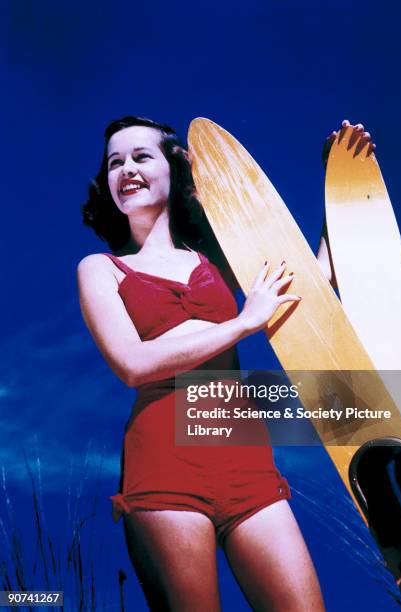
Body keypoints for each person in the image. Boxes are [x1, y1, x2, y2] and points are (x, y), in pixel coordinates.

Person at [78, 115, 329, 611]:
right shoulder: (101, 269)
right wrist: (240, 324)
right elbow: (132, 364)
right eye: (115, 162)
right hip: (164, 465)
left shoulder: (211, 259)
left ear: (173, 168)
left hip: (246, 459)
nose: (126, 168)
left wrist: (338, 188)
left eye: (140, 156)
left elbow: (314, 288)